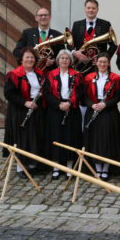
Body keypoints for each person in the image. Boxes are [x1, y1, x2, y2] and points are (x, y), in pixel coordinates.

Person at [3, 47, 45, 178]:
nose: (30, 59)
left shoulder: (40, 74)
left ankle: (33, 165)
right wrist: (25, 103)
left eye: (32, 57)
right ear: (21, 59)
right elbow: (8, 93)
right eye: (27, 57)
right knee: (21, 138)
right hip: (20, 110)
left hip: (36, 109)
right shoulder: (14, 74)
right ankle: (20, 167)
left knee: (35, 136)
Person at [43, 50, 83, 179]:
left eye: (67, 58)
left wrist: (70, 103)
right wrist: (58, 104)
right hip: (56, 109)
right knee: (56, 137)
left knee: (70, 137)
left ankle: (69, 167)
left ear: (70, 61)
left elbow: (80, 92)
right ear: (58, 60)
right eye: (62, 58)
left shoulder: (77, 75)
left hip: (72, 109)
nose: (64, 60)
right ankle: (56, 167)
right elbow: (47, 93)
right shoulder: (50, 74)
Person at [83, 53, 120, 180]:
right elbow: (85, 96)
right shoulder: (89, 77)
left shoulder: (115, 78)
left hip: (108, 112)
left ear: (108, 64)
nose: (102, 64)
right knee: (94, 140)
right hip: (93, 110)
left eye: (105, 62)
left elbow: (118, 97)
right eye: (100, 62)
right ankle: (97, 168)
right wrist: (92, 105)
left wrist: (105, 104)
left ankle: (105, 169)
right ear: (96, 63)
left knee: (107, 141)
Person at [71, 0, 117, 73]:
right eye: (88, 8)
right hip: (80, 65)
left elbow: (113, 45)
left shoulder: (105, 24)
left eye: (93, 8)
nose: (91, 10)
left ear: (97, 10)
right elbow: (70, 44)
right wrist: (74, 52)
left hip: (100, 66)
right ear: (85, 9)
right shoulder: (77, 24)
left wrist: (104, 58)